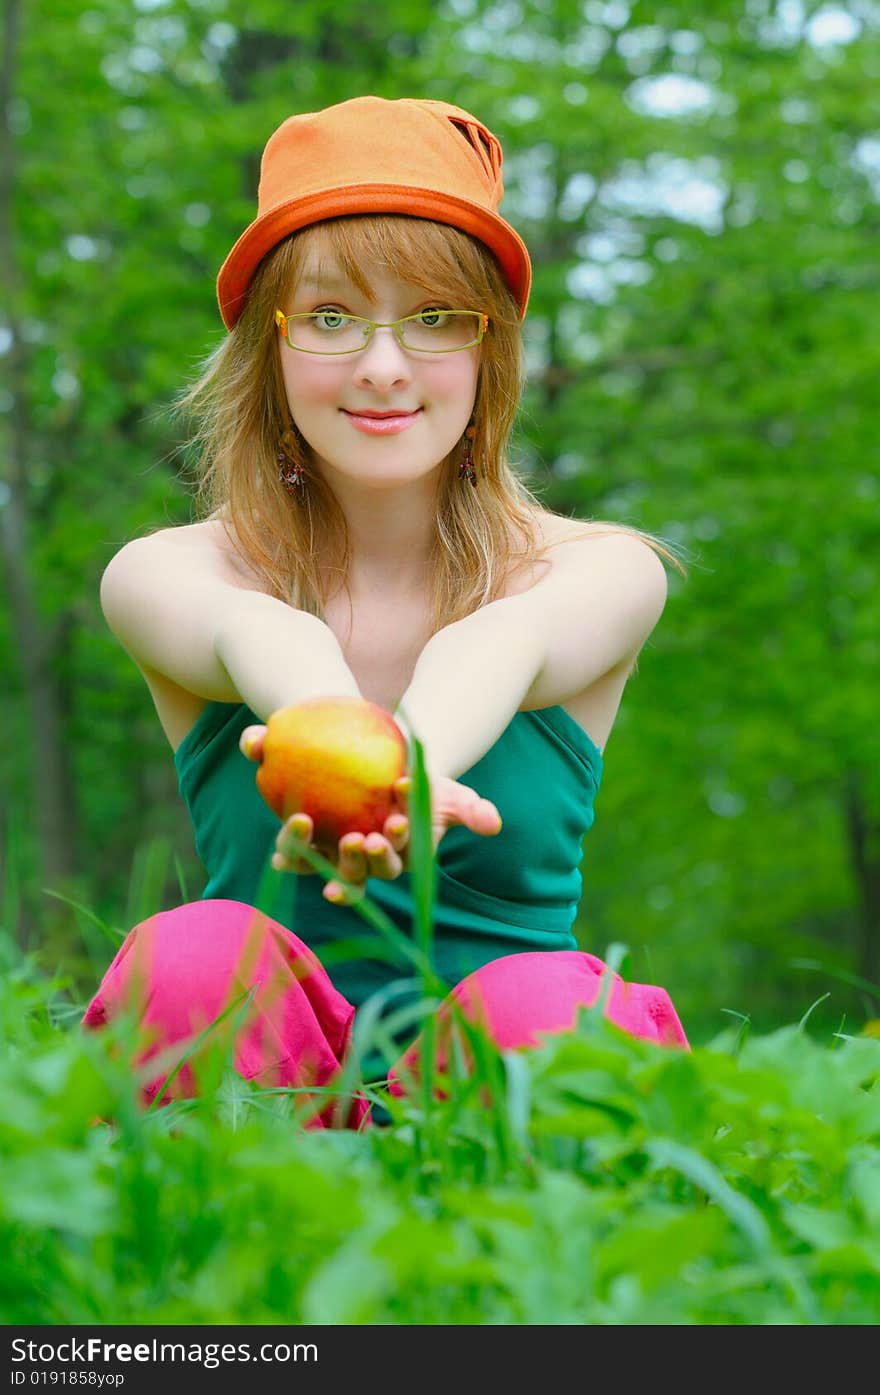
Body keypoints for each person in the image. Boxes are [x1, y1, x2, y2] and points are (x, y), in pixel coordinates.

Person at [84, 95, 688, 1127]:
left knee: (545, 1007)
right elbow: (261, 633)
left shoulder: (604, 569)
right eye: (329, 318)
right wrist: (341, 756)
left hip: (502, 1096)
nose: (381, 364)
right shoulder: (168, 571)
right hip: (256, 1091)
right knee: (193, 953)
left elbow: (504, 640)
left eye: (433, 316)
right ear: (267, 348)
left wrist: (402, 775)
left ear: (490, 347)